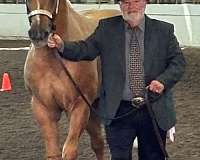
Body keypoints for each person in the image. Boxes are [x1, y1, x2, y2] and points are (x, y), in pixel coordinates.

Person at [48, 0, 186, 159]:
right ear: (119, 5)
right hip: (118, 111)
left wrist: (163, 81)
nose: (131, 6)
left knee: (153, 156)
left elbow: (178, 62)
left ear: (145, 2)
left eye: (136, 1)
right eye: (126, 2)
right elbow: (85, 49)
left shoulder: (164, 30)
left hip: (153, 109)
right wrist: (62, 45)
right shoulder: (107, 28)